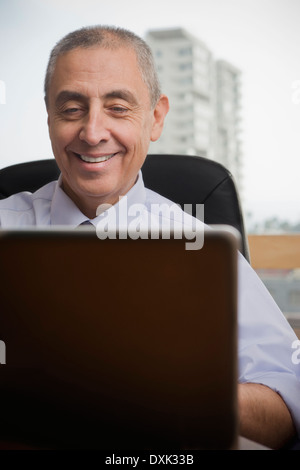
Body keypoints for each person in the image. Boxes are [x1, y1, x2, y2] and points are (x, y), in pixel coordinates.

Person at [0, 25, 299, 449]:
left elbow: (286, 409)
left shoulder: (200, 245)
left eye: (118, 107)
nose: (92, 132)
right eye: (71, 109)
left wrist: (166, 392)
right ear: (48, 116)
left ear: (155, 118)